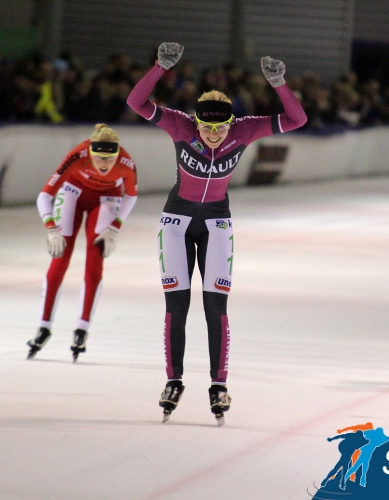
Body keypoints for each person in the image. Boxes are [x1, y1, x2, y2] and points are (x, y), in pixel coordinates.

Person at [126, 42, 307, 425]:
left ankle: (218, 384)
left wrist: (279, 83)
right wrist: (159, 66)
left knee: (215, 308)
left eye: (220, 128)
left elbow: (297, 119)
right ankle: (173, 381)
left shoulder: (244, 130)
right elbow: (137, 102)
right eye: (206, 127)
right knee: (177, 307)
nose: (212, 135)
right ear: (196, 121)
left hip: (216, 224)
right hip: (175, 222)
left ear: (230, 124)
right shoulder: (180, 125)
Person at [26, 123, 138, 362]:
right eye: (99, 158)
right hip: (73, 194)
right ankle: (44, 326)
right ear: (91, 153)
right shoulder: (77, 155)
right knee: (60, 257)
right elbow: (44, 195)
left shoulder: (126, 163)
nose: (105, 163)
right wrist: (51, 228)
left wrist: (115, 227)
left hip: (107, 199)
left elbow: (131, 195)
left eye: (110, 158)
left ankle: (82, 328)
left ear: (118, 154)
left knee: (95, 260)